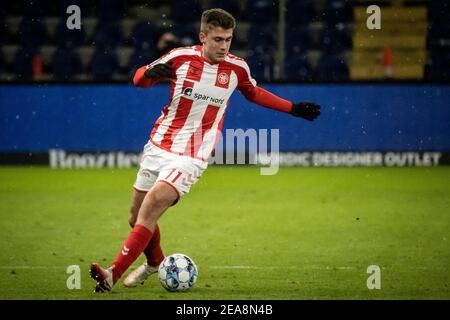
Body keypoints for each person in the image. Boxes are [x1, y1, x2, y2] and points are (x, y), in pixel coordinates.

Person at [90, 8, 321, 292]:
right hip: (160, 143)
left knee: (149, 208)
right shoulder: (180, 57)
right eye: (218, 40)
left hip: (194, 153)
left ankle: (111, 274)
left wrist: (293, 108)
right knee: (135, 217)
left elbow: (254, 93)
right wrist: (149, 72)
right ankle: (155, 263)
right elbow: (139, 81)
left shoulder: (237, 68)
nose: (224, 46)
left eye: (228, 40)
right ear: (203, 37)